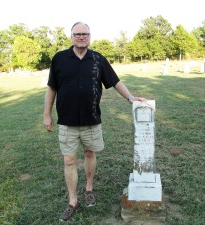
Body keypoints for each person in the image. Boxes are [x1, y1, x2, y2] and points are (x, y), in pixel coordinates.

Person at [43, 22, 146, 222]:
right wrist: (46, 115)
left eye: (85, 34)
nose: (81, 37)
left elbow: (115, 81)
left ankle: (89, 188)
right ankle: (73, 201)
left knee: (90, 154)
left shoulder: (98, 59)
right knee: (69, 160)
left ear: (90, 36)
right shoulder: (59, 59)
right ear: (71, 36)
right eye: (77, 34)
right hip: (67, 121)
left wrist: (131, 98)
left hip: (92, 120)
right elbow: (51, 89)